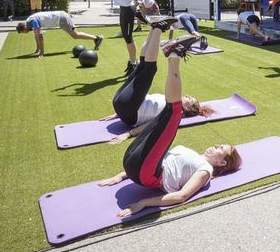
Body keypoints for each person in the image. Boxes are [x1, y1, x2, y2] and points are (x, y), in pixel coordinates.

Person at [98, 36, 242, 216]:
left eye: (221, 148)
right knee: (167, 113)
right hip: (133, 163)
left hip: (147, 174)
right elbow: (154, 154)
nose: (215, 145)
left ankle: (174, 55)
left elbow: (181, 196)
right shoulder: (194, 156)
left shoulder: (205, 171)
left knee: (174, 111)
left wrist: (144, 203)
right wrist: (120, 176)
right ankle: (172, 52)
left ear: (222, 162)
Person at [98, 19, 214, 144]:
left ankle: (158, 29)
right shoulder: (170, 100)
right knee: (142, 65)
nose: (189, 96)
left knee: (150, 68)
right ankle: (154, 28)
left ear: (188, 108)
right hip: (123, 105)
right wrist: (117, 114)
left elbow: (151, 124)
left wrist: (128, 134)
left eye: (191, 100)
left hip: (129, 111)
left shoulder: (175, 113)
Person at [16, 11, 104, 58]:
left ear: (24, 28)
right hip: (60, 19)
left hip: (62, 18)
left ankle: (97, 38)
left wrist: (41, 53)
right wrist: (37, 49)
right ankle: (96, 38)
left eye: (23, 32)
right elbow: (36, 35)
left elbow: (39, 36)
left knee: (75, 35)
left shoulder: (32, 21)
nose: (24, 33)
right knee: (75, 35)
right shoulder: (29, 22)